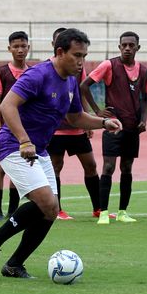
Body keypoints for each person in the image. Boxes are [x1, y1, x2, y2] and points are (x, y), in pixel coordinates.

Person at [0, 28, 122, 278]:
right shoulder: (38, 74)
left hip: (39, 150)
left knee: (50, 210)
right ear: (59, 52)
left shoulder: (70, 80)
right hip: (14, 146)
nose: (81, 62)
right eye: (77, 55)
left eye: (84, 56)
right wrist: (24, 140)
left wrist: (103, 123)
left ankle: (14, 264)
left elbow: (75, 116)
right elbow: (6, 105)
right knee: (46, 203)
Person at [81, 31, 147, 224]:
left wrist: (144, 119)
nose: (127, 48)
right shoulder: (109, 65)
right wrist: (97, 111)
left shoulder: (144, 71)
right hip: (113, 127)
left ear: (138, 47)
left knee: (127, 168)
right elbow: (84, 86)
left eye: (131, 45)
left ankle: (122, 212)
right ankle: (103, 212)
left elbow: (145, 99)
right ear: (119, 47)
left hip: (132, 128)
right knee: (109, 167)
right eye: (124, 45)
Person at [47, 28, 101, 220]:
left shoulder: (75, 69)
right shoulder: (44, 71)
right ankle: (58, 209)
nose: (80, 60)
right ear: (56, 47)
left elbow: (78, 94)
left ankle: (99, 209)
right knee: (55, 167)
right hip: (55, 130)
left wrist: (88, 120)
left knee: (91, 165)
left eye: (83, 56)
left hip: (76, 127)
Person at [0, 31, 29, 220]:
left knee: (16, 169)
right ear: (9, 49)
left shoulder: (32, 72)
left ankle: (13, 210)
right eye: (16, 46)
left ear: (28, 48)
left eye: (23, 46)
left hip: (23, 128)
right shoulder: (2, 72)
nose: (20, 50)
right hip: (6, 129)